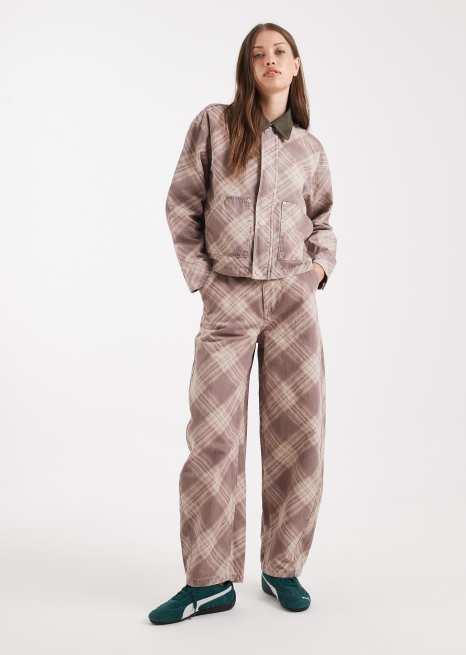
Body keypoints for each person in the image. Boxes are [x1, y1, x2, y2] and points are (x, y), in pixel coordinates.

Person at [148, 22, 337, 625]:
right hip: (227, 299)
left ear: (296, 65)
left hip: (292, 302)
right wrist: (203, 278)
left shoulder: (308, 148)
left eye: (280, 52)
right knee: (213, 437)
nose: (270, 60)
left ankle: (283, 567)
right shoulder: (214, 125)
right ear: (247, 67)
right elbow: (182, 202)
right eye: (259, 54)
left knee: (299, 435)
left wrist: (317, 271)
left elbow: (324, 221)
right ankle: (208, 582)